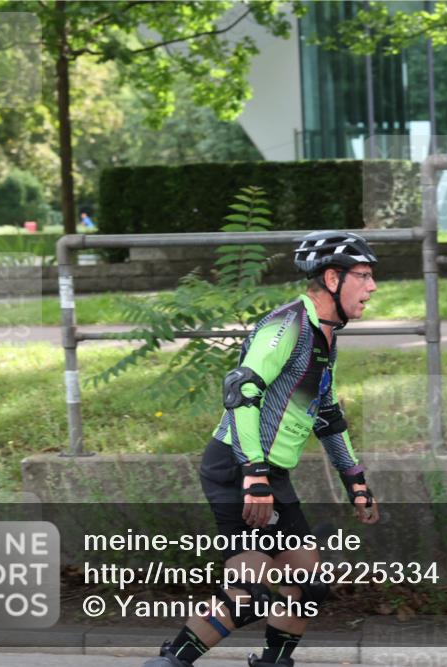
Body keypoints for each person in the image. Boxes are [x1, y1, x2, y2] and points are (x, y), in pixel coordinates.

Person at [144, 231, 381, 667]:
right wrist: (254, 474)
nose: (372, 287)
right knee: (249, 593)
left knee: (307, 586)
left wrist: (356, 482)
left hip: (269, 473)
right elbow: (241, 390)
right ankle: (171, 662)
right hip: (239, 468)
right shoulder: (287, 325)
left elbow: (326, 414)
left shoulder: (324, 335)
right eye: (363, 276)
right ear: (333, 278)